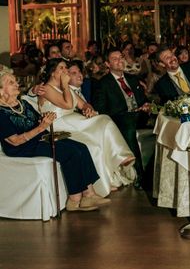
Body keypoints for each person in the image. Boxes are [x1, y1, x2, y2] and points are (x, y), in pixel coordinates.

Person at [0, 69, 109, 212]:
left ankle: (89, 194)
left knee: (81, 147)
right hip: (23, 147)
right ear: (1, 91)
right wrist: (42, 127)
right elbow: (15, 141)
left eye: (15, 81)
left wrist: (45, 118)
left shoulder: (22, 104)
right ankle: (74, 199)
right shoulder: (1, 113)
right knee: (70, 152)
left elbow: (37, 120)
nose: (16, 84)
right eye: (11, 83)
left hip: (39, 139)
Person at [38, 59, 136, 196]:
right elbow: (66, 105)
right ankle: (103, 180)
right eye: (61, 68)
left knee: (104, 119)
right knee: (93, 143)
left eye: (66, 68)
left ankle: (120, 158)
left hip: (75, 122)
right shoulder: (47, 88)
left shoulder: (66, 89)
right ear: (52, 73)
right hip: (59, 126)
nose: (65, 71)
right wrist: (66, 85)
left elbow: (83, 104)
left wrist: (87, 109)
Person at [94, 48, 151, 189]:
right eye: (115, 59)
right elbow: (102, 110)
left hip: (140, 116)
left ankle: (156, 171)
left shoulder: (132, 78)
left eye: (121, 57)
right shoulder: (102, 84)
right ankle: (139, 174)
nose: (120, 61)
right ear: (107, 64)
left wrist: (145, 106)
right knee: (129, 124)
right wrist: (127, 112)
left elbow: (143, 99)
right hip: (120, 119)